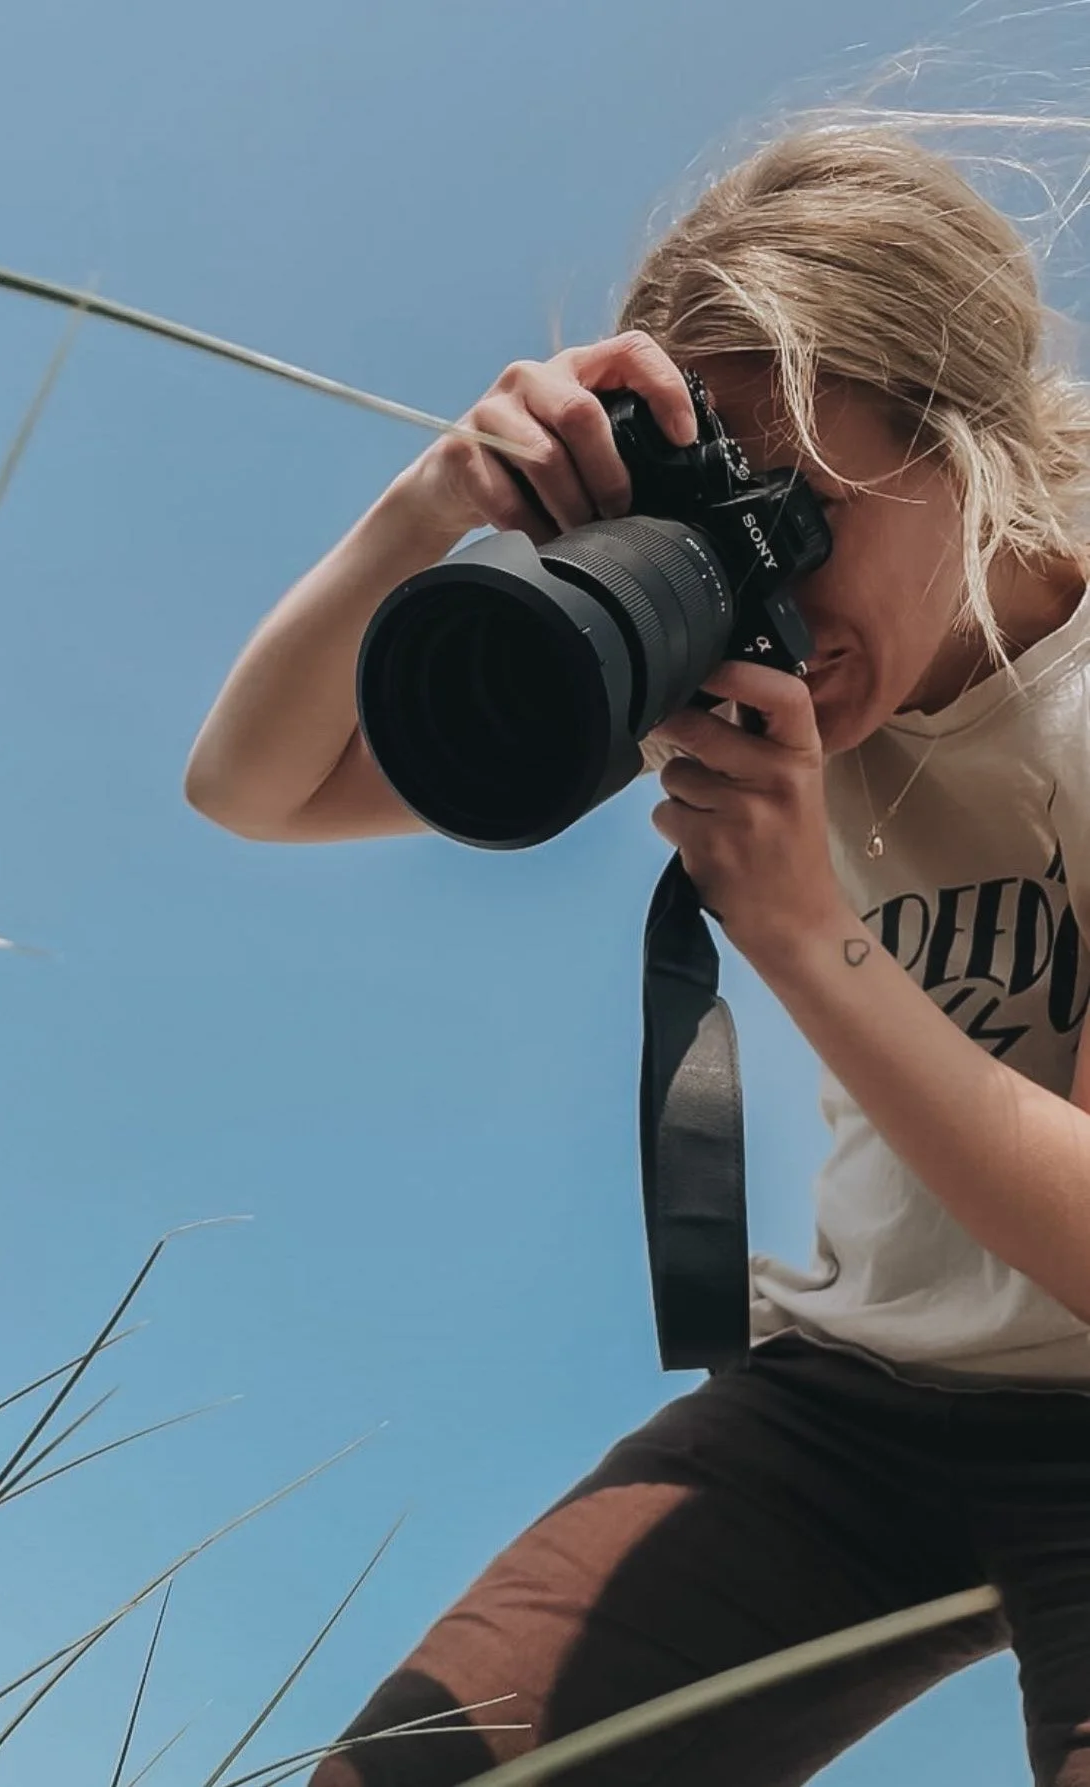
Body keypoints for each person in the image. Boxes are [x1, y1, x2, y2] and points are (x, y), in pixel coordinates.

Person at [185, 126, 1090, 1787]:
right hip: (856, 1399)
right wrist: (432, 506)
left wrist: (808, 938)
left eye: (796, 512)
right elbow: (254, 784)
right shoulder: (760, 652)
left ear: (964, 441)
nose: (773, 591)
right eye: (716, 521)